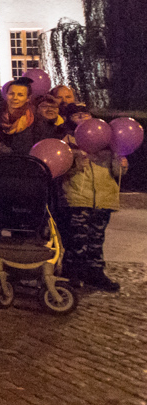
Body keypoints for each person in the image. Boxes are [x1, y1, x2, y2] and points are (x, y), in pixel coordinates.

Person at [61, 119, 124, 292]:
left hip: (104, 198)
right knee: (77, 237)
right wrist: (75, 163)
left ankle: (95, 272)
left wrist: (121, 161)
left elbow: (118, 172)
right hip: (78, 197)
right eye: (77, 114)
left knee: (96, 238)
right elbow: (62, 168)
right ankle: (73, 272)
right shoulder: (68, 141)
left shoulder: (108, 142)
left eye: (85, 113)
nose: (82, 117)